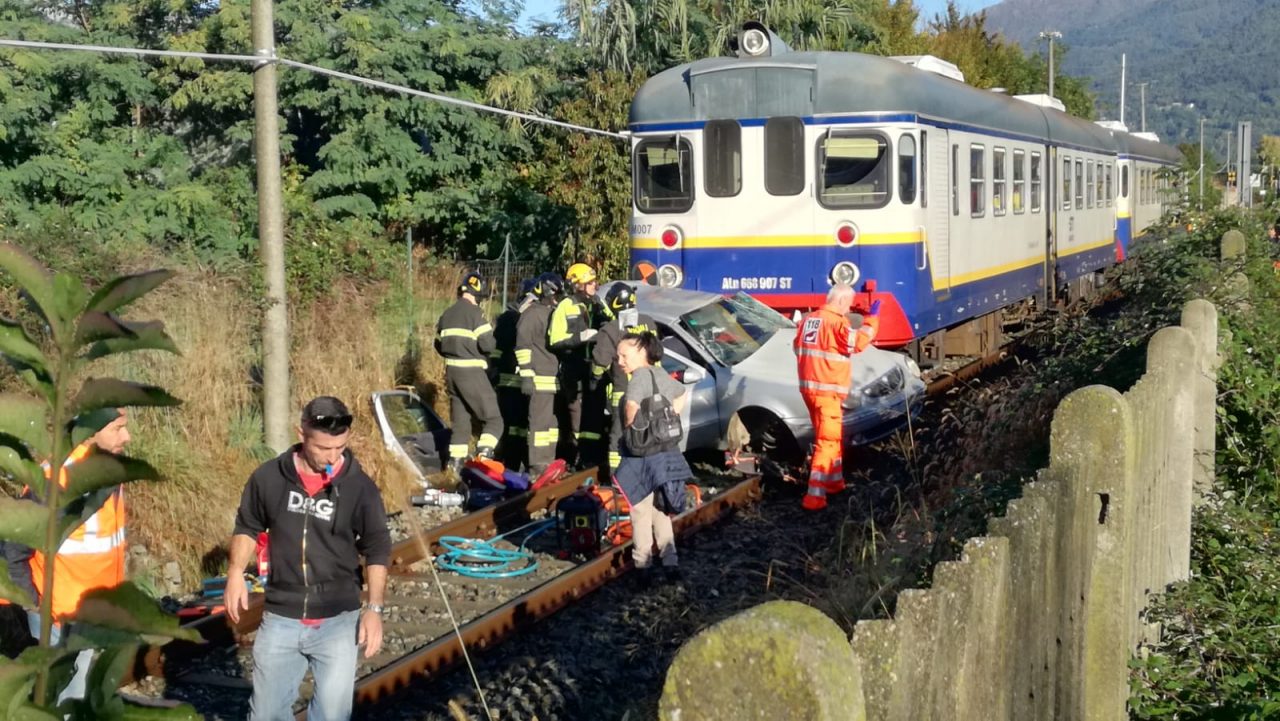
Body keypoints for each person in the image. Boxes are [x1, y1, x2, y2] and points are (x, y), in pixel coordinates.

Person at [225, 397, 391, 721]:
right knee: (265, 716)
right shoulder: (269, 478)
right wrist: (234, 574)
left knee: (331, 715)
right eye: (323, 449)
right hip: (281, 617)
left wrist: (374, 609)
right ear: (301, 434)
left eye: (340, 448)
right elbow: (248, 525)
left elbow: (377, 548)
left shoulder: (360, 487)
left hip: (337, 619)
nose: (332, 457)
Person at [2, 408, 131, 704]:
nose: (127, 436)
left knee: (79, 692)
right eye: (118, 428)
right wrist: (34, 603)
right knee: (65, 697)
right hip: (60, 616)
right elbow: (14, 546)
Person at [613, 332, 691, 585]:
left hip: (642, 455)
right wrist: (668, 421)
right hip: (665, 451)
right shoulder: (660, 374)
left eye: (624, 355)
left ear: (641, 352)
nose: (620, 361)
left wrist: (634, 430)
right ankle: (671, 563)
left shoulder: (638, 377)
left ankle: (642, 565)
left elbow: (631, 408)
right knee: (661, 509)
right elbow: (681, 394)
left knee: (639, 510)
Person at [792, 285, 880, 511]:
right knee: (827, 442)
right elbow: (857, 343)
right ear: (841, 301)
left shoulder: (808, 320)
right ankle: (815, 496)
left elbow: (797, 348)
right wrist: (872, 321)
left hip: (809, 390)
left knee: (829, 436)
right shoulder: (837, 322)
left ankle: (834, 482)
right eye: (849, 304)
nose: (849, 308)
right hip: (827, 391)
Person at [435, 271, 503, 474]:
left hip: (451, 373)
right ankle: (484, 456)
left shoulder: (447, 314)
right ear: (479, 294)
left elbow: (438, 344)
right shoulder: (476, 314)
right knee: (493, 419)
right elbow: (488, 344)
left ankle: (454, 466)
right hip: (471, 372)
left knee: (461, 423)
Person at [591, 283, 657, 475]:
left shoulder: (611, 329)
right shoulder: (649, 322)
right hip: (651, 389)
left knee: (619, 436)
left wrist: (595, 377)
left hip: (624, 391)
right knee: (646, 434)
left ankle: (617, 478)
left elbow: (600, 361)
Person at [548, 262, 602, 467]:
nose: (594, 286)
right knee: (576, 415)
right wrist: (580, 338)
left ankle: (592, 457)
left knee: (594, 415)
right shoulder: (565, 306)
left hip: (595, 369)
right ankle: (577, 455)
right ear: (577, 284)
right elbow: (555, 340)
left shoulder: (597, 303)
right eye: (589, 283)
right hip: (574, 370)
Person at [516, 273, 564, 478]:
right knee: (539, 423)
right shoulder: (532, 315)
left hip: (552, 378)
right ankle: (538, 464)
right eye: (555, 295)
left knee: (551, 424)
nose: (558, 299)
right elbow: (522, 346)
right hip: (539, 377)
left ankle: (548, 460)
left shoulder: (550, 313)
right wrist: (527, 375)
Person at [491, 278, 537, 470]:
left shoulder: (510, 318)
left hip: (516, 381)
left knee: (519, 426)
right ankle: (510, 461)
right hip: (511, 381)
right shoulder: (510, 319)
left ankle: (514, 461)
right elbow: (498, 349)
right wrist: (494, 371)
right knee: (512, 425)